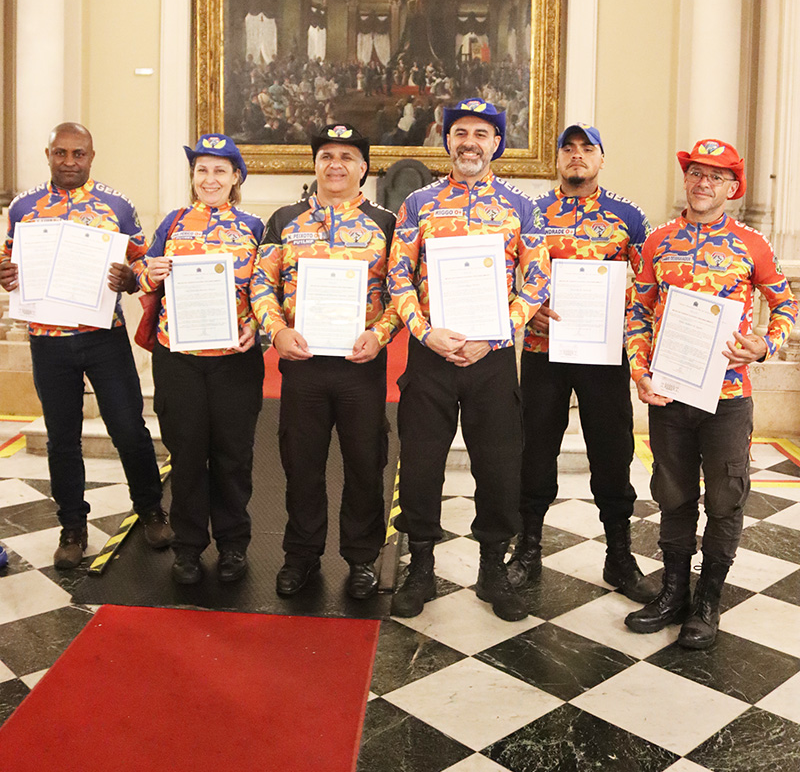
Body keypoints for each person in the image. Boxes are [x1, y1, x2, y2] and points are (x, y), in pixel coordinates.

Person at [625, 139, 798, 647]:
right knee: (673, 495)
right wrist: (640, 370)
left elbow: (785, 305)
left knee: (724, 500)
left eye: (716, 176)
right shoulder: (659, 241)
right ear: (687, 180)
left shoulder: (752, 244)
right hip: (671, 395)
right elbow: (638, 311)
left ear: (733, 188)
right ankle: (673, 593)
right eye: (696, 173)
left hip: (727, 398)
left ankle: (708, 602)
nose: (704, 182)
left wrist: (766, 343)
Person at [388, 99, 550, 622]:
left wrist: (498, 332)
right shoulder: (418, 203)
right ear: (447, 139)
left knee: (499, 467)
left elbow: (537, 279)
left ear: (497, 143)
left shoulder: (521, 206)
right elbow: (398, 276)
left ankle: (492, 569)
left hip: (492, 357)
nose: (470, 143)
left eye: (482, 133)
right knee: (420, 467)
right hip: (431, 354)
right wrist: (426, 332)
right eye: (461, 132)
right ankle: (421, 568)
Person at [0, 122, 170, 568]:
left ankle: (151, 509)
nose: (69, 162)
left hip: (103, 337)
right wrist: (5, 273)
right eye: (61, 153)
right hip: (48, 341)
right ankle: (72, 527)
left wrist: (132, 278)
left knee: (129, 428)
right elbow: (8, 258)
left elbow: (145, 264)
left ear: (92, 157)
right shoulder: (24, 207)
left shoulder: (116, 205)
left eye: (79, 154)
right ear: (48, 154)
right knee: (62, 438)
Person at [507, 123, 656, 601]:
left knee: (612, 452)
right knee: (534, 449)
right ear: (556, 159)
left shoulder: (628, 217)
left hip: (603, 354)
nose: (576, 156)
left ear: (601, 158)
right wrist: (528, 307)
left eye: (586, 148)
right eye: (567, 148)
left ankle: (619, 553)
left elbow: (649, 286)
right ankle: (528, 548)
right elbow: (511, 274)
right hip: (541, 351)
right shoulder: (531, 213)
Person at [251, 124, 400, 600]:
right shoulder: (285, 219)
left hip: (361, 364)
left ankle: (361, 559)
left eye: (347, 157)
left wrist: (380, 335)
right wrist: (277, 331)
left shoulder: (387, 222)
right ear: (315, 165)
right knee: (302, 463)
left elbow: (404, 291)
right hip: (304, 363)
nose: (336, 164)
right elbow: (260, 283)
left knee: (364, 463)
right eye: (327, 156)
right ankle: (301, 556)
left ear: (364, 167)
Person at [140, 134, 265, 585]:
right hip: (180, 359)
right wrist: (147, 272)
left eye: (219, 171)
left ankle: (233, 544)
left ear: (236, 178)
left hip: (234, 359)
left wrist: (259, 327)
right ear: (193, 176)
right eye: (201, 170)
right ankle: (188, 547)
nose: (209, 179)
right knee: (188, 454)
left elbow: (267, 290)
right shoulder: (172, 223)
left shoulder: (254, 227)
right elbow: (143, 272)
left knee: (233, 456)